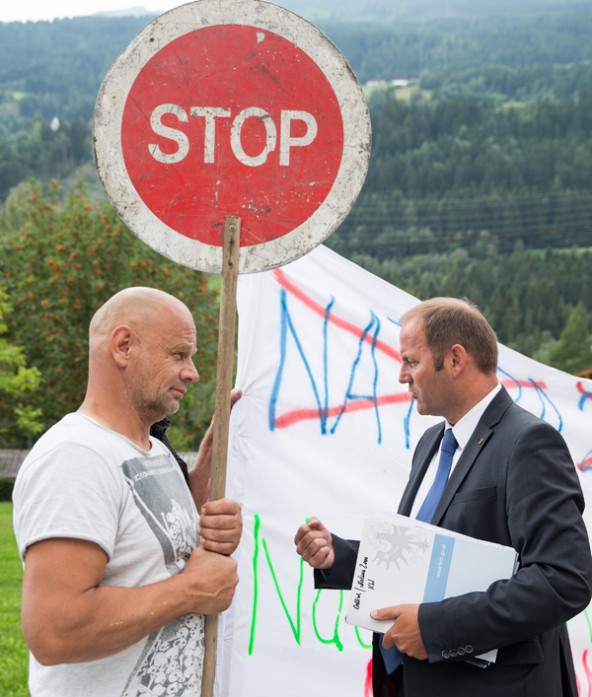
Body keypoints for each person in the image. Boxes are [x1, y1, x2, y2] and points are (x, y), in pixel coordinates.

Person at [294, 297, 592, 697]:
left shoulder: (528, 443)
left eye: (411, 361)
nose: (402, 376)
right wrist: (341, 557)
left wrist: (434, 629)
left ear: (455, 360)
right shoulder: (433, 442)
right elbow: (429, 556)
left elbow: (564, 579)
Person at [13, 286, 243, 697]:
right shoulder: (76, 457)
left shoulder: (149, 448)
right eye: (178, 354)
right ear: (123, 346)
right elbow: (55, 630)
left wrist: (206, 476)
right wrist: (192, 591)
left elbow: (154, 549)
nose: (192, 372)